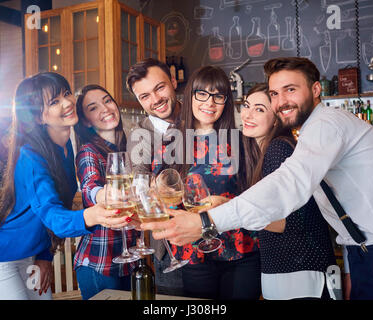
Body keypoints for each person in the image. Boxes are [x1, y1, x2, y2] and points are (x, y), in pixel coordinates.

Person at [142, 57, 373, 300]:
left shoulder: (324, 126)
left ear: (316, 90)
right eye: (274, 94)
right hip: (362, 253)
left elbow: (288, 187)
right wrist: (351, 266)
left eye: (290, 90)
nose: (282, 100)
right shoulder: (298, 138)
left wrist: (208, 220)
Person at [0, 72, 129, 300]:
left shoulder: (64, 150)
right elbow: (52, 215)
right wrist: (94, 215)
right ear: (38, 117)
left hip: (30, 256)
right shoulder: (31, 157)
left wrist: (44, 256)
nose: (67, 102)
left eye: (66, 94)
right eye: (54, 102)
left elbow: (46, 216)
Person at [172, 66, 261, 299]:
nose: (210, 103)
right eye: (202, 94)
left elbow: (259, 194)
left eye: (218, 96)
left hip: (241, 251)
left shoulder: (244, 142)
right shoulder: (172, 143)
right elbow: (166, 198)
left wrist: (224, 203)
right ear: (190, 96)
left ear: (226, 101)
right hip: (195, 253)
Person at [240, 83, 335, 300]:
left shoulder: (278, 149)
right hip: (290, 269)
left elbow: (291, 222)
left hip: (300, 270)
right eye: (246, 106)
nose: (248, 114)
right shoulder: (267, 151)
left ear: (276, 119)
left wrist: (234, 213)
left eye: (260, 109)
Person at [73, 84, 138, 300]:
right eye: (93, 108)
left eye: (107, 100)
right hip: (99, 261)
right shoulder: (88, 151)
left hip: (128, 260)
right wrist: (103, 194)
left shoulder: (128, 150)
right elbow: (90, 185)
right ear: (85, 120)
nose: (105, 109)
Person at [125, 58, 184, 296]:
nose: (155, 100)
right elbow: (140, 187)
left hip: (215, 242)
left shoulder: (200, 116)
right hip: (170, 249)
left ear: (173, 81)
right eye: (144, 96)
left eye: (159, 88)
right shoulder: (140, 134)